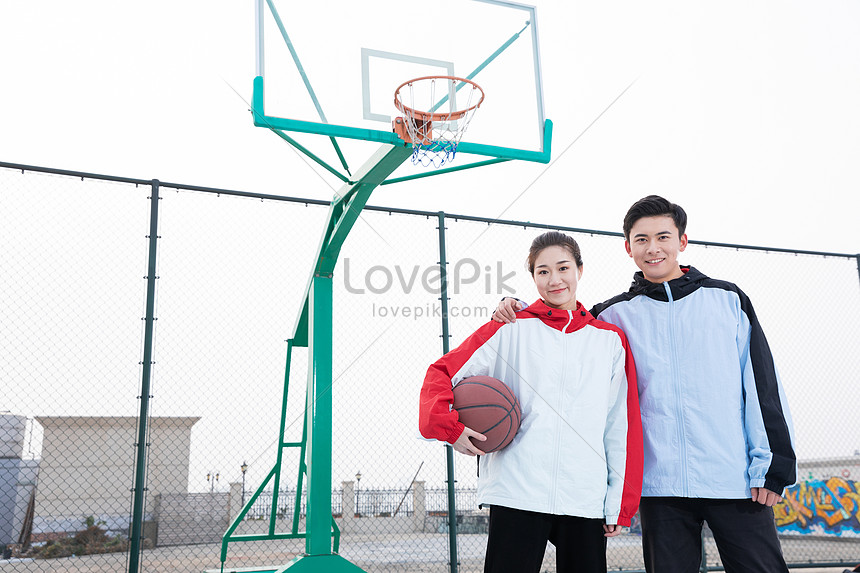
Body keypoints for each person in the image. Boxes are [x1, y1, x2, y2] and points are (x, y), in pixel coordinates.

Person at [494, 196, 797, 573]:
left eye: (663, 237)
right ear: (628, 247)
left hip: (734, 481)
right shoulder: (613, 315)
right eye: (641, 240)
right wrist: (515, 307)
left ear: (682, 241)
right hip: (660, 487)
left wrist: (772, 467)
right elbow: (563, 323)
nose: (653, 248)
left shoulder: (727, 300)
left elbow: (763, 386)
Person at [419, 231, 643, 573]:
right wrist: (449, 428)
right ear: (533, 276)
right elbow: (442, 373)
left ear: (580, 270)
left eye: (563, 268)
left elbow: (620, 425)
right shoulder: (509, 327)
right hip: (516, 491)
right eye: (543, 271)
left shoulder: (609, 341)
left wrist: (618, 504)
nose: (555, 279)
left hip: (583, 495)